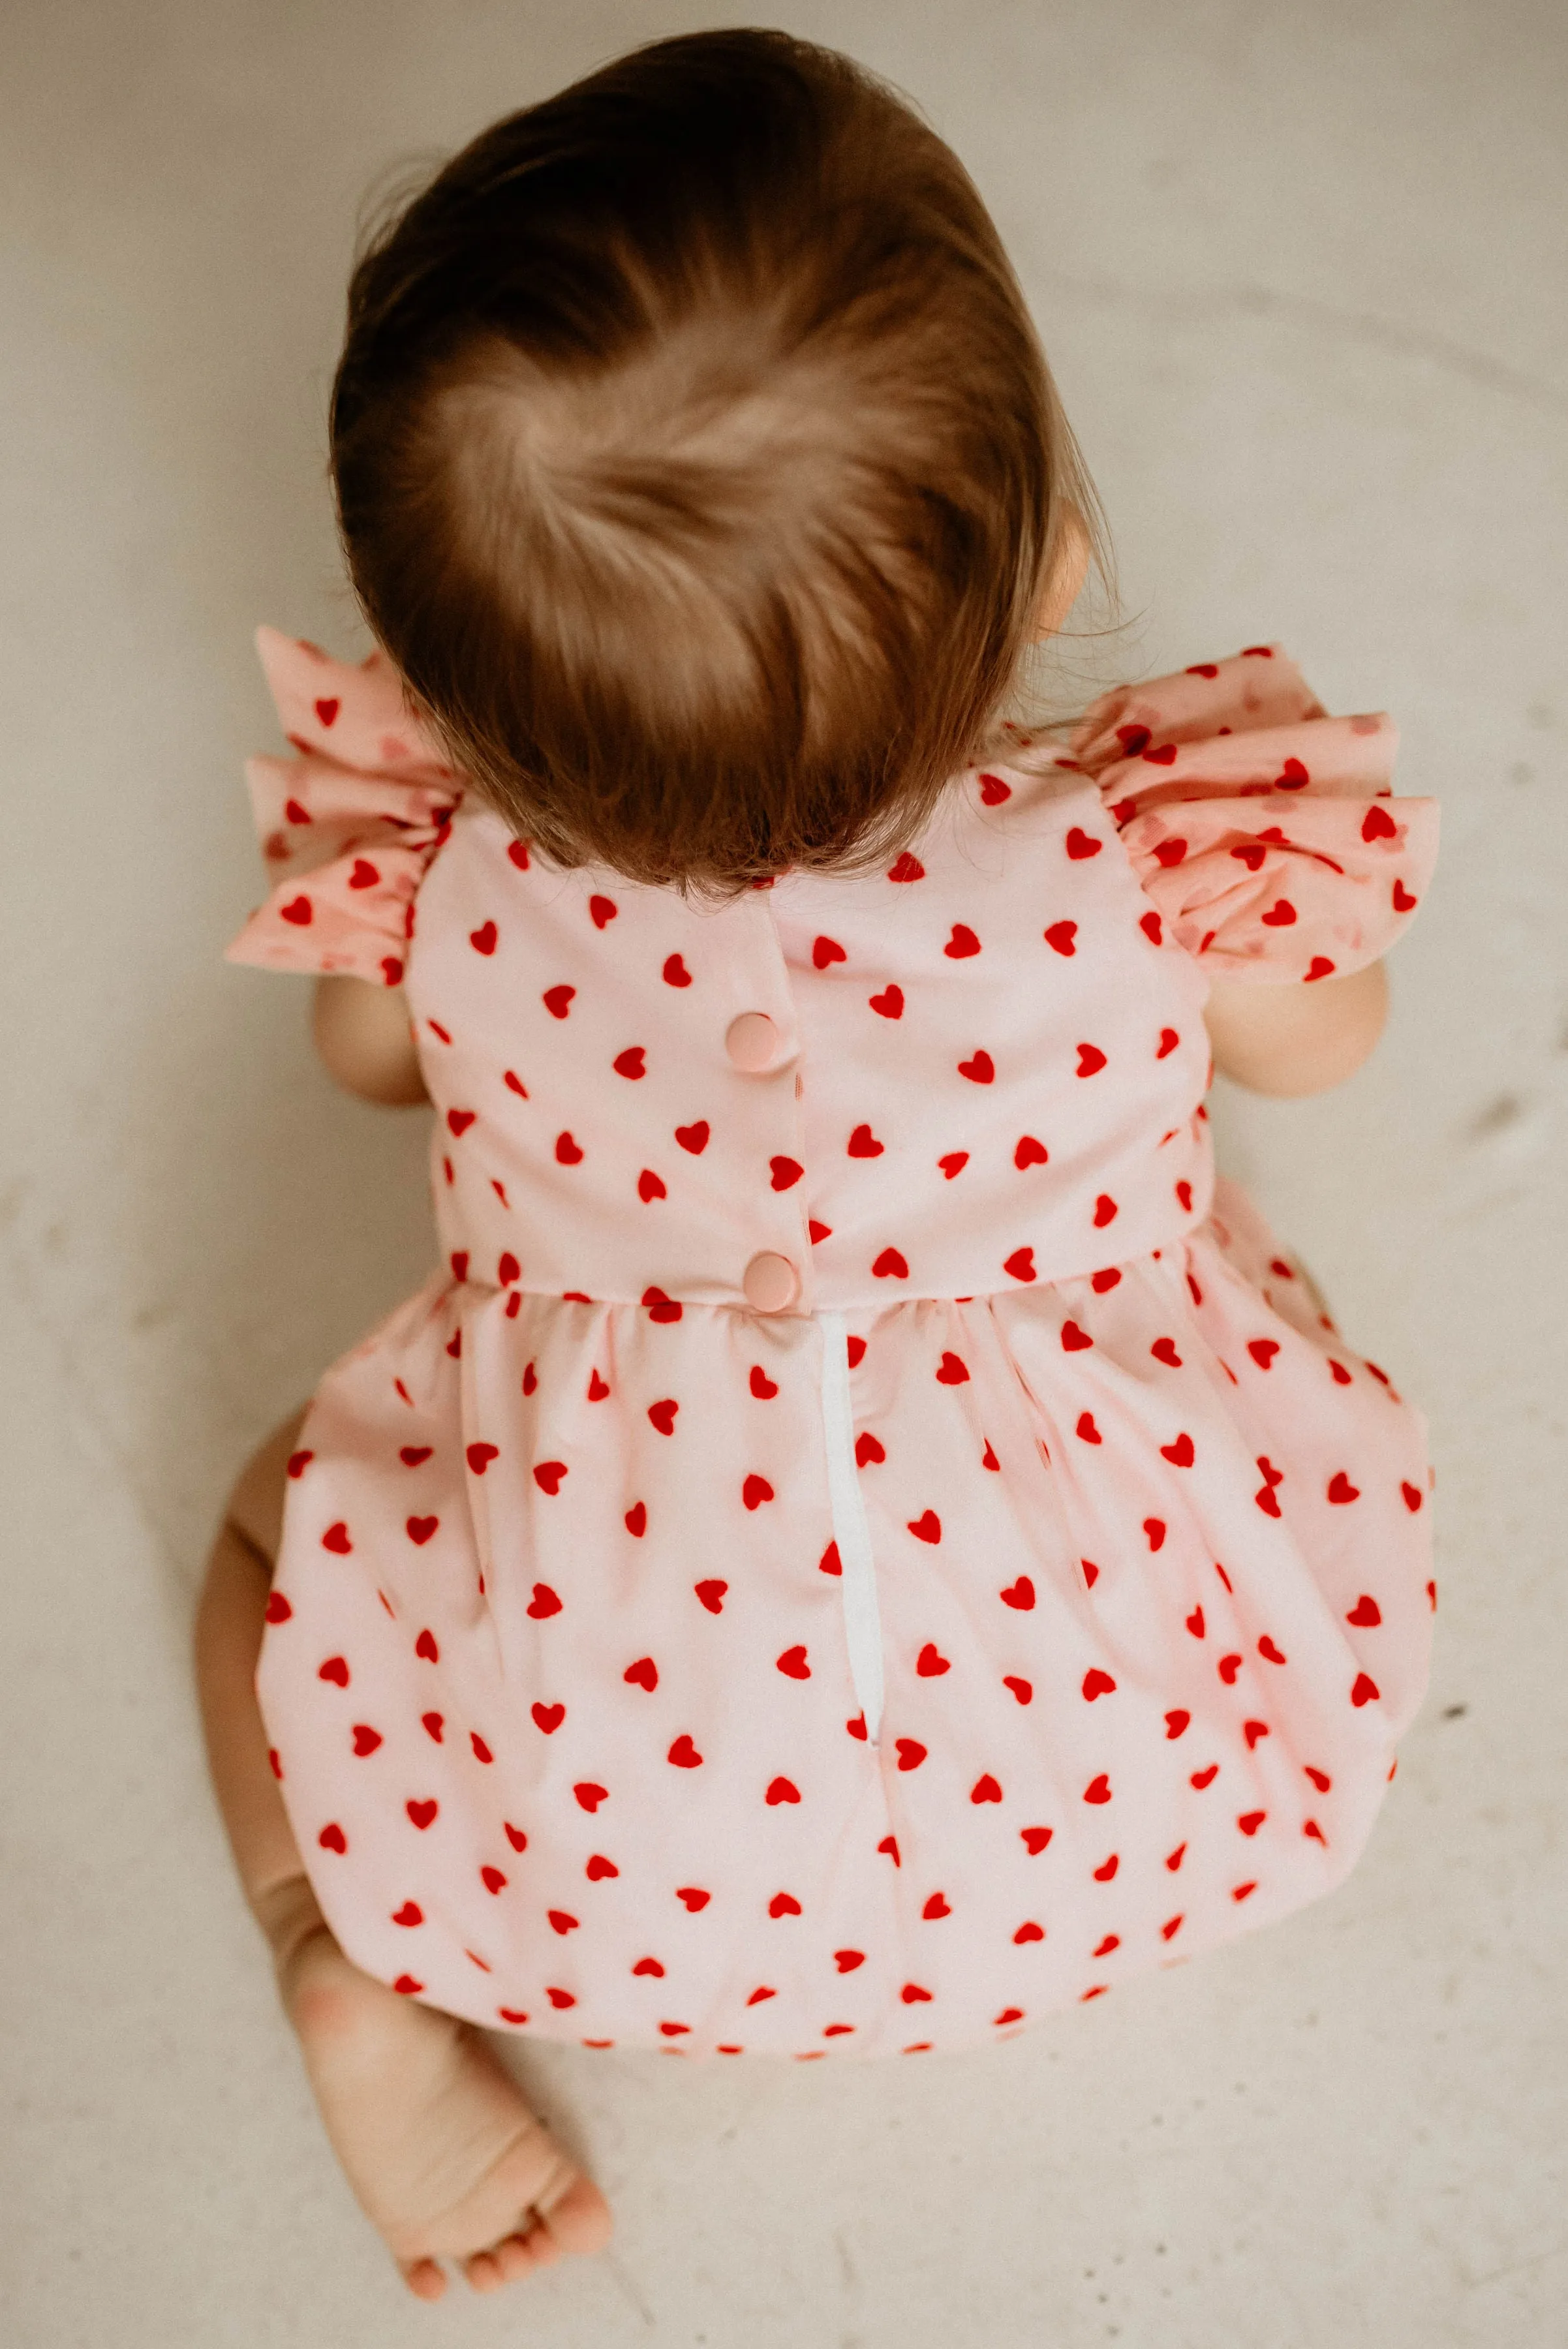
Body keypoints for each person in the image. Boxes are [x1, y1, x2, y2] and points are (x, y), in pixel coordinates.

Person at [195, 27, 1439, 2304]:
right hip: (1154, 1818)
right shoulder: (1152, 864)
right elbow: (1331, 1044)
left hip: (593, 1865)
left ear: (450, 697)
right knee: (1261, 1336)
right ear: (1054, 556)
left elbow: (370, 1074)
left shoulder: (443, 880)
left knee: (275, 1522)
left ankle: (335, 1944)